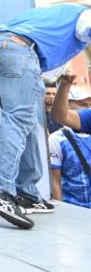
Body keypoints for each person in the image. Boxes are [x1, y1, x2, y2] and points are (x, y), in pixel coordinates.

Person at [0, 4, 91, 229]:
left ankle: (28, 193)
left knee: (24, 121)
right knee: (19, 119)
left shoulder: (56, 18)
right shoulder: (83, 14)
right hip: (17, 49)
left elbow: (49, 71)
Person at [48, 72, 91, 209]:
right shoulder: (57, 139)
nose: (87, 107)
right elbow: (60, 116)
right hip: (76, 209)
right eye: (82, 104)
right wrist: (65, 85)